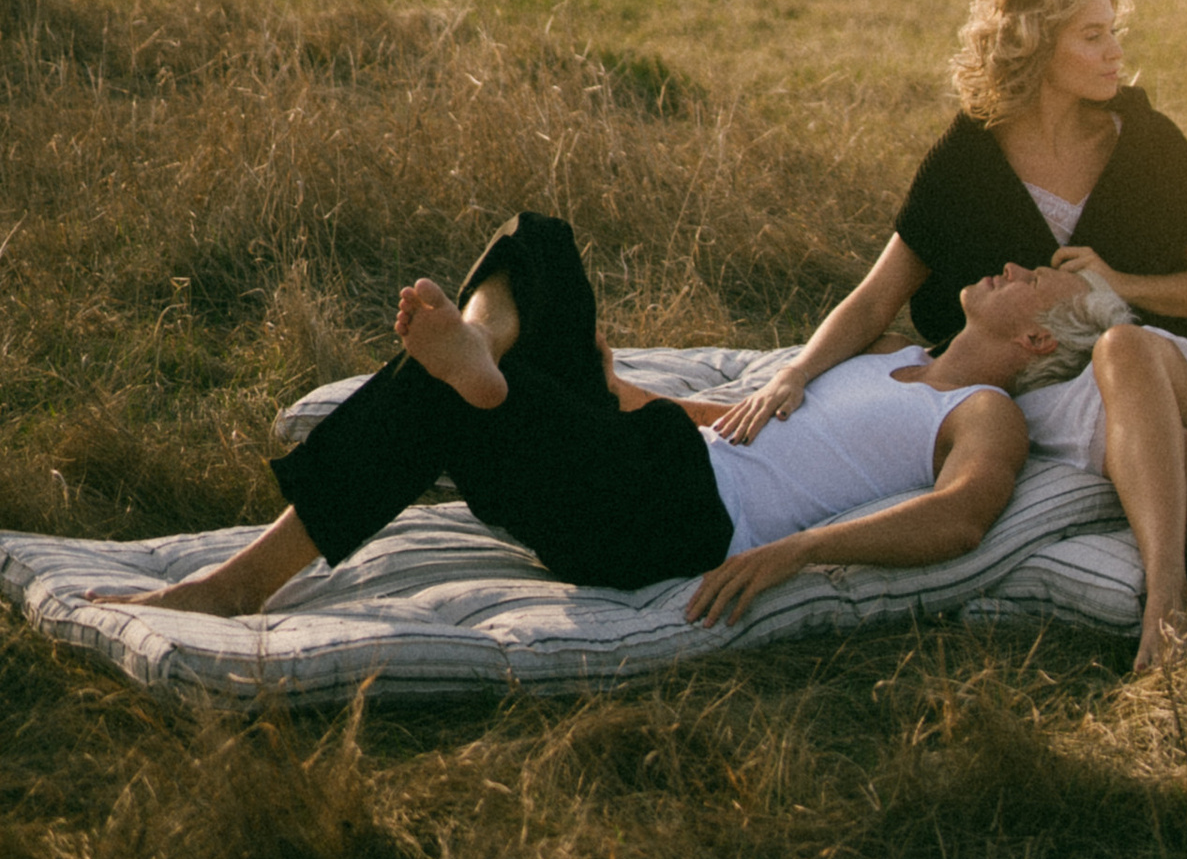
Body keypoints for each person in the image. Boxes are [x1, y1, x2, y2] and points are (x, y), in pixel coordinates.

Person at [91, 208, 1104, 632]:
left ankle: (238, 584)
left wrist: (795, 555)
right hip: (650, 459)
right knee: (536, 239)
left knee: (441, 390)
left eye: (1034, 280)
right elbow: (733, 419)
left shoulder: (982, 412)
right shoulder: (891, 361)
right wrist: (600, 390)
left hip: (681, 521)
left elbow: (964, 517)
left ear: (1037, 346)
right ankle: (486, 361)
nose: (1014, 266)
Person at [709, 0, 1187, 669]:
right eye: (1093, 36)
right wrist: (793, 373)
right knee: (1160, 443)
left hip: (1162, 358)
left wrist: (1117, 285)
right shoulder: (969, 156)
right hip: (1044, 383)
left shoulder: (1147, 143)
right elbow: (876, 298)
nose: (1116, 52)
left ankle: (1165, 601)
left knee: (1123, 347)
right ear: (1037, 44)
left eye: (1115, 32)